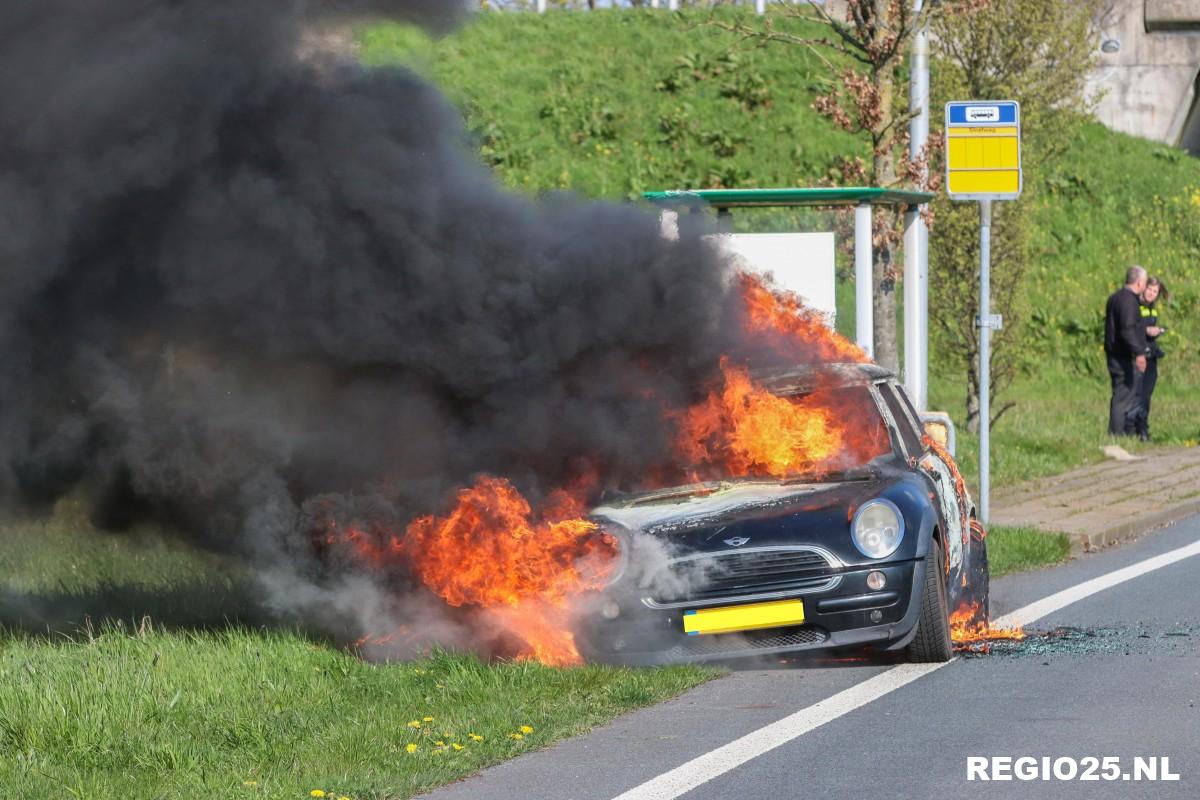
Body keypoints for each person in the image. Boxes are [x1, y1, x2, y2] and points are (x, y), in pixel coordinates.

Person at [1104, 265, 1148, 436]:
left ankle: (1121, 434)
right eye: (1144, 281)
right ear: (1138, 283)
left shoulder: (1115, 297)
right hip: (1123, 356)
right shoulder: (1128, 301)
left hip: (1114, 354)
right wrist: (1139, 352)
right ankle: (1117, 435)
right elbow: (1127, 329)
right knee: (1123, 396)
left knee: (1121, 394)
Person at [1135, 276, 1169, 441]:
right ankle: (1138, 430)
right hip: (1138, 354)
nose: (1151, 293)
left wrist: (1158, 331)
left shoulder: (1152, 308)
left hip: (1151, 355)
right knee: (1138, 394)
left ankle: (1143, 428)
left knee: (1146, 395)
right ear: (1143, 287)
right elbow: (1129, 327)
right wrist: (1146, 330)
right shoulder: (1134, 304)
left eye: (1155, 291)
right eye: (1149, 289)